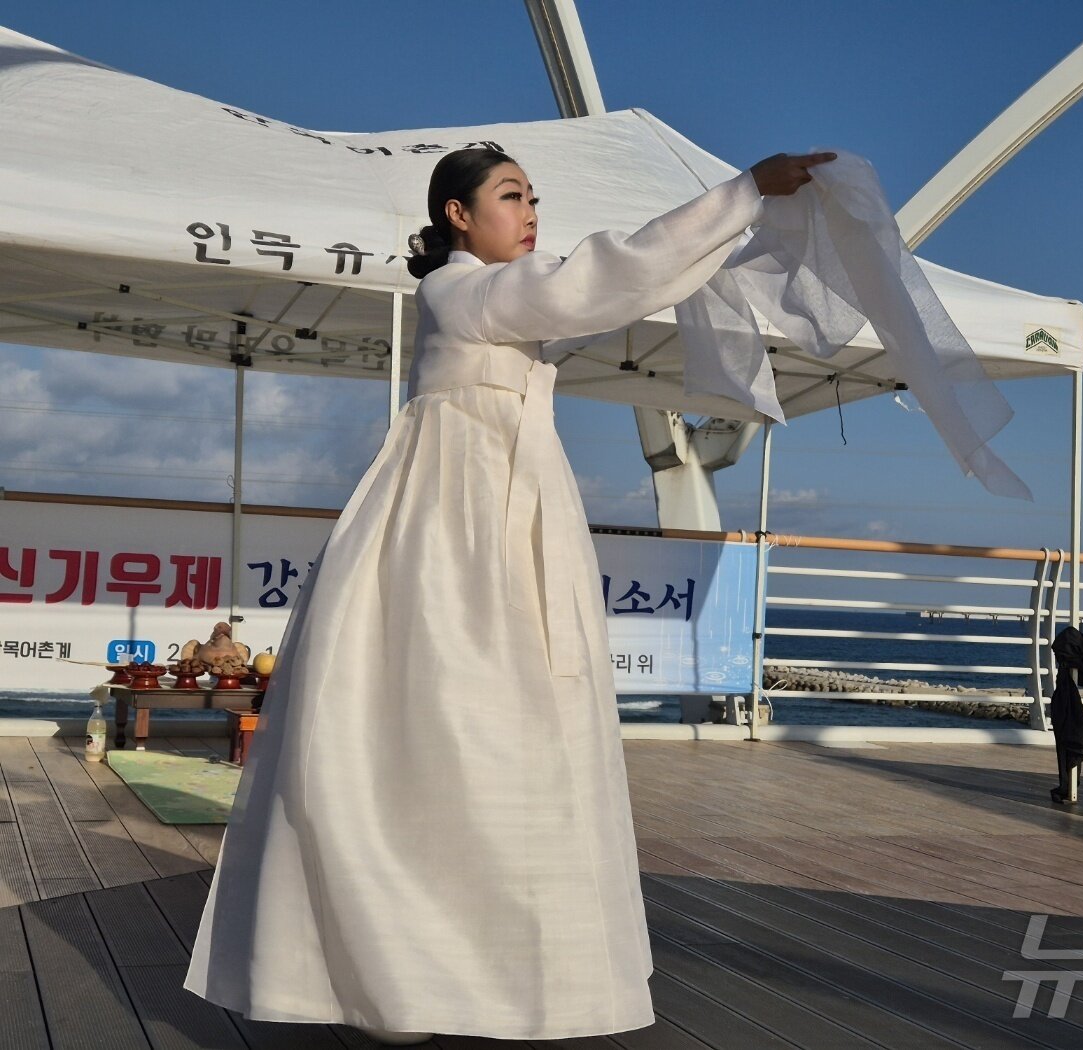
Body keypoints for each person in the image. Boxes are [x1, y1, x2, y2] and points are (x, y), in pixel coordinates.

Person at [183, 146, 835, 1045]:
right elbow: (599, 279)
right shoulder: (463, 293)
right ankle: (407, 966)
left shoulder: (502, 302)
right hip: (458, 540)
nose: (530, 212)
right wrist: (741, 193)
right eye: (511, 196)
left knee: (488, 745)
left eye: (534, 196)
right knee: (454, 733)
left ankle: (462, 964)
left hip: (497, 528)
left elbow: (622, 289)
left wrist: (738, 220)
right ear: (457, 215)